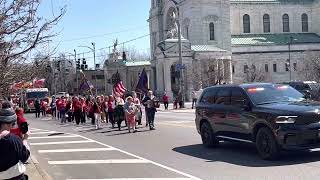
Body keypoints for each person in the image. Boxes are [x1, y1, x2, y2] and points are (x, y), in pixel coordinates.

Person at [0, 107, 30, 180]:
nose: (13, 126)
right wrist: (25, 140)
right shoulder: (14, 139)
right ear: (6, 124)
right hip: (14, 177)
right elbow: (25, 157)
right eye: (13, 123)